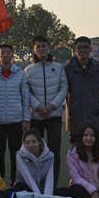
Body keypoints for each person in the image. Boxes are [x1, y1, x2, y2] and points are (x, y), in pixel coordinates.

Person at [25, 35, 68, 183]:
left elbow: (64, 88)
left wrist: (52, 106)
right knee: (35, 150)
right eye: (38, 46)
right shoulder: (28, 70)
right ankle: (36, 183)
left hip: (54, 116)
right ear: (34, 49)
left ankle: (52, 184)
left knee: (54, 150)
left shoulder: (59, 67)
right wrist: (38, 106)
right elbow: (27, 92)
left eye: (44, 46)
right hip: (36, 117)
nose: (41, 49)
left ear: (49, 48)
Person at [0, 43, 31, 182]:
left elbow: (25, 98)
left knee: (16, 153)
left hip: (16, 121)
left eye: (8, 52)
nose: (5, 55)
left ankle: (15, 181)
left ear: (12, 55)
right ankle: (0, 180)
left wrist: (26, 118)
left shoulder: (20, 74)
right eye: (3, 53)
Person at [64, 37, 99, 144]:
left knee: (94, 152)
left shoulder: (98, 69)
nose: (83, 50)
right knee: (75, 152)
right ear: (75, 49)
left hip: (93, 119)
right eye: (80, 47)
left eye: (86, 47)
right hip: (75, 119)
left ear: (90, 49)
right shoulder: (67, 70)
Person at [14, 129, 55, 195]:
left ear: (39, 142)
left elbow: (49, 180)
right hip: (24, 190)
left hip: (41, 190)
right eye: (27, 142)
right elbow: (28, 178)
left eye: (34, 141)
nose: (31, 145)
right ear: (24, 144)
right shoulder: (19, 156)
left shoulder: (50, 156)